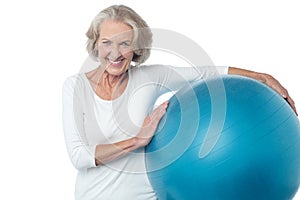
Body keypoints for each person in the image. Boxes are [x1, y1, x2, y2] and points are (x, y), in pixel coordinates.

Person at [62, 4, 297, 200]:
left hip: (149, 195)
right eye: (107, 42)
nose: (116, 53)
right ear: (95, 44)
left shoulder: (149, 77)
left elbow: (205, 73)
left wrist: (261, 77)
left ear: (136, 49)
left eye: (125, 43)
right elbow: (80, 156)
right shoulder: (76, 87)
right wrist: (138, 140)